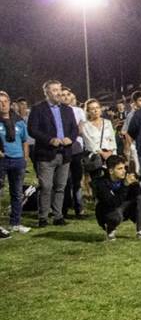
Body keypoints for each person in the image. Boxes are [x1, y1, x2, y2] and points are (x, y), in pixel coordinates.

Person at [28, 80, 80, 227]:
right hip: (46, 154)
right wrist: (50, 140)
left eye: (59, 89)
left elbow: (74, 129)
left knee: (60, 187)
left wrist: (71, 138)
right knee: (46, 187)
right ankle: (43, 217)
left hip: (65, 154)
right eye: (54, 90)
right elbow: (32, 129)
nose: (58, 93)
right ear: (46, 93)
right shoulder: (38, 109)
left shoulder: (67, 109)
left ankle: (58, 216)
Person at [93, 155, 141, 241]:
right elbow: (112, 203)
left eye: (124, 168)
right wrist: (125, 186)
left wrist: (135, 184)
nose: (124, 171)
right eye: (120, 169)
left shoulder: (126, 178)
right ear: (111, 171)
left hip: (124, 208)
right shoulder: (101, 183)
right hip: (108, 212)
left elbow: (138, 195)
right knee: (115, 215)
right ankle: (110, 230)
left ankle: (140, 231)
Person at [0, 91, 31, 233]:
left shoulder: (18, 121)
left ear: (10, 103)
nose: (3, 105)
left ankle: (15, 223)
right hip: (2, 160)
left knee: (17, 193)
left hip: (18, 160)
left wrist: (25, 158)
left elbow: (25, 141)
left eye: (5, 101)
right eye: (0, 102)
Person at [60, 88, 87, 219]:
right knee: (63, 180)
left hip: (76, 147)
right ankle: (63, 209)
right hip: (61, 148)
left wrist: (71, 133)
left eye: (68, 94)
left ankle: (79, 208)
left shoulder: (78, 111)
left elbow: (81, 130)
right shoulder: (56, 111)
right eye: (63, 95)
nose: (65, 97)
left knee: (76, 180)